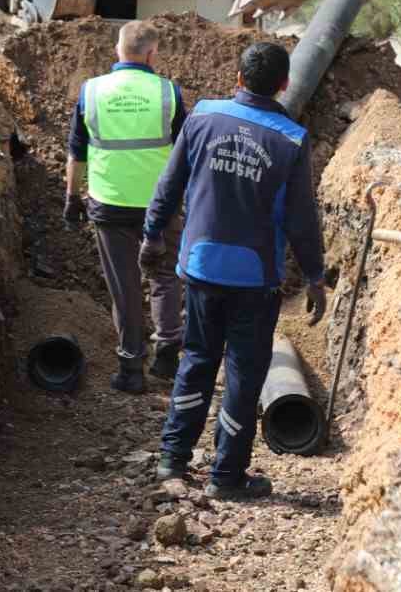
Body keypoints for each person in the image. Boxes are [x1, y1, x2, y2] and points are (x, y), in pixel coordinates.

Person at [145, 42, 327, 501]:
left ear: (239, 78)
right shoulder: (289, 139)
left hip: (202, 267)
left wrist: (152, 234)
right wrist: (314, 275)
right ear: (284, 84)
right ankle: (225, 476)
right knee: (244, 373)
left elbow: (170, 183)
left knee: (197, 360)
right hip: (254, 279)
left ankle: (172, 459)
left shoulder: (204, 116)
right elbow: (301, 218)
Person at [64, 21, 187, 392]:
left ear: (118, 50)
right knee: (165, 275)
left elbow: (76, 153)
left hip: (110, 203)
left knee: (125, 286)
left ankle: (131, 369)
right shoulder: (169, 93)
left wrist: (72, 197)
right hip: (160, 206)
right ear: (152, 54)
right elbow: (186, 152)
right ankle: (167, 351)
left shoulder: (92, 91)